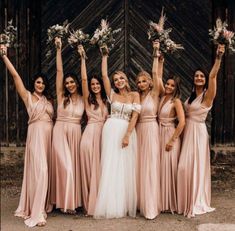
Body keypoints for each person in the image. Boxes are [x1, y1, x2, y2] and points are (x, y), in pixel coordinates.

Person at [0, 45, 53, 227]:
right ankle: (37, 212)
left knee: (46, 172)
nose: (41, 85)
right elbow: (15, 76)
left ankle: (42, 204)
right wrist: (5, 56)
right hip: (36, 136)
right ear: (34, 83)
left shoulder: (49, 100)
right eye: (38, 82)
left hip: (49, 138)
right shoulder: (28, 96)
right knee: (41, 172)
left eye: (43, 83)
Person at [177, 44, 225, 218]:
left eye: (201, 76)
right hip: (187, 132)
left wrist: (219, 57)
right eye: (196, 76)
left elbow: (213, 75)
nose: (198, 77)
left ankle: (196, 200)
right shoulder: (190, 96)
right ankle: (183, 201)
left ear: (204, 80)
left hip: (198, 132)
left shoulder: (207, 95)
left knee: (195, 166)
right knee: (183, 167)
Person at [94, 45, 141, 219]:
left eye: (121, 78)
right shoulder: (112, 95)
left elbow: (135, 117)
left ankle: (121, 204)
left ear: (126, 80)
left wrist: (128, 135)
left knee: (123, 167)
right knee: (110, 165)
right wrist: (105, 55)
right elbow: (104, 76)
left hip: (125, 130)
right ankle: (109, 205)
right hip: (111, 128)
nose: (119, 81)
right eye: (116, 79)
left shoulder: (135, 95)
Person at [49, 37, 84, 214]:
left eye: (72, 82)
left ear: (77, 83)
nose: (69, 84)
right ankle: (64, 202)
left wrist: (83, 58)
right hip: (60, 131)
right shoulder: (62, 96)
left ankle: (71, 200)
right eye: (67, 82)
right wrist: (58, 49)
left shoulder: (85, 99)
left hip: (76, 133)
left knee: (74, 167)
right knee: (65, 166)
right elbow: (59, 71)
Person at [78, 45, 108, 216]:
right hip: (89, 135)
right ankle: (89, 204)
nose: (95, 86)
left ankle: (99, 202)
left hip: (103, 137)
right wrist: (83, 59)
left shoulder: (106, 100)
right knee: (90, 169)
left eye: (97, 84)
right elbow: (83, 80)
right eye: (93, 84)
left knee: (100, 170)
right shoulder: (88, 99)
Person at [135, 41, 162, 219]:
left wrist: (155, 53)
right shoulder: (137, 96)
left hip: (151, 129)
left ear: (150, 83)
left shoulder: (154, 94)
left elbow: (155, 72)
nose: (141, 83)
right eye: (139, 81)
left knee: (150, 165)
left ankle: (151, 205)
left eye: (144, 81)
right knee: (139, 166)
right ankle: (139, 202)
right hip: (139, 131)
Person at [158, 72, 185, 213]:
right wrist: (159, 60)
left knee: (170, 167)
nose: (168, 86)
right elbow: (157, 76)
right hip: (159, 134)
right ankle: (162, 201)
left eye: (172, 85)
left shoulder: (176, 101)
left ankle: (171, 202)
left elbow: (182, 122)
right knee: (162, 168)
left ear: (176, 88)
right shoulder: (163, 97)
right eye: (167, 84)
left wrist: (172, 140)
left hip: (170, 134)